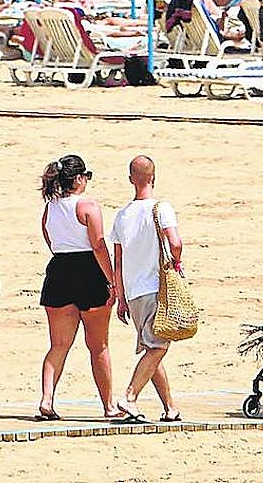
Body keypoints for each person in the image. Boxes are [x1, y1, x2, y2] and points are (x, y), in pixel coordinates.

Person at [36, 155, 121, 421]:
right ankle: (108, 406)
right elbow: (98, 244)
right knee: (98, 345)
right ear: (79, 178)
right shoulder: (87, 205)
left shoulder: (50, 208)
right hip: (89, 271)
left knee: (58, 345)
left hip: (60, 270)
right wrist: (112, 280)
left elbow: (49, 239)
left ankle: (47, 399)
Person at [111, 155, 182, 424]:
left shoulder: (122, 216)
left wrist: (120, 297)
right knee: (158, 347)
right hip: (154, 288)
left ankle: (170, 408)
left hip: (133, 291)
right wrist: (176, 262)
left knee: (152, 348)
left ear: (131, 179)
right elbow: (175, 242)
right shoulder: (161, 208)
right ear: (153, 177)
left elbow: (118, 261)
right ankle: (129, 397)